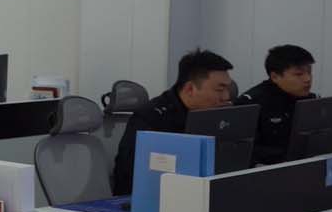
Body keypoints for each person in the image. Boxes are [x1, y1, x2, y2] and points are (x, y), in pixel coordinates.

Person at [111, 49, 234, 196]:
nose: (226, 96)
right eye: (220, 89)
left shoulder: (216, 115)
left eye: (228, 89)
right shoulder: (150, 119)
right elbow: (132, 177)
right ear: (190, 89)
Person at [237, 45, 317, 165]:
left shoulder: (310, 100)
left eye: (309, 72)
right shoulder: (251, 104)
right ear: (275, 77)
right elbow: (242, 150)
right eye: (299, 74)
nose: (308, 79)